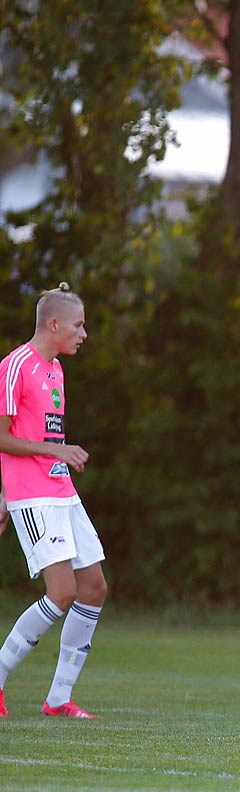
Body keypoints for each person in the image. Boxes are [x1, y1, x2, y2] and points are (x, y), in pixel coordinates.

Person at [0, 284, 105, 720]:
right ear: (54, 324)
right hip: (35, 495)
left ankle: (59, 698)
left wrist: (53, 453)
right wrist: (9, 495)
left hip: (60, 489)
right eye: (79, 325)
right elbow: (3, 437)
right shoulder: (15, 365)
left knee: (94, 588)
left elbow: (41, 435)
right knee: (61, 593)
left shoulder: (56, 370)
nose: (84, 333)